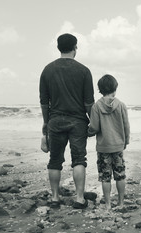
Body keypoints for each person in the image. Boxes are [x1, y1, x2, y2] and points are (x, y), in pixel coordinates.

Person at [39, 33, 94, 209]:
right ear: (75, 47)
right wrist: (93, 122)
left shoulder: (47, 70)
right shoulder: (84, 71)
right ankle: (79, 198)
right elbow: (88, 103)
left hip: (55, 120)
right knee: (79, 159)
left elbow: (44, 102)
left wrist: (46, 123)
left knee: (55, 160)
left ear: (58, 48)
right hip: (78, 122)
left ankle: (55, 198)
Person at [88, 74, 130, 211]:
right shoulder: (121, 105)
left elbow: (94, 127)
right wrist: (126, 141)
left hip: (103, 147)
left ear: (100, 90)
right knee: (120, 175)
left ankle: (107, 204)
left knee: (105, 177)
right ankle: (121, 202)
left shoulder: (96, 107)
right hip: (118, 146)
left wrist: (87, 133)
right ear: (115, 88)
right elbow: (126, 125)